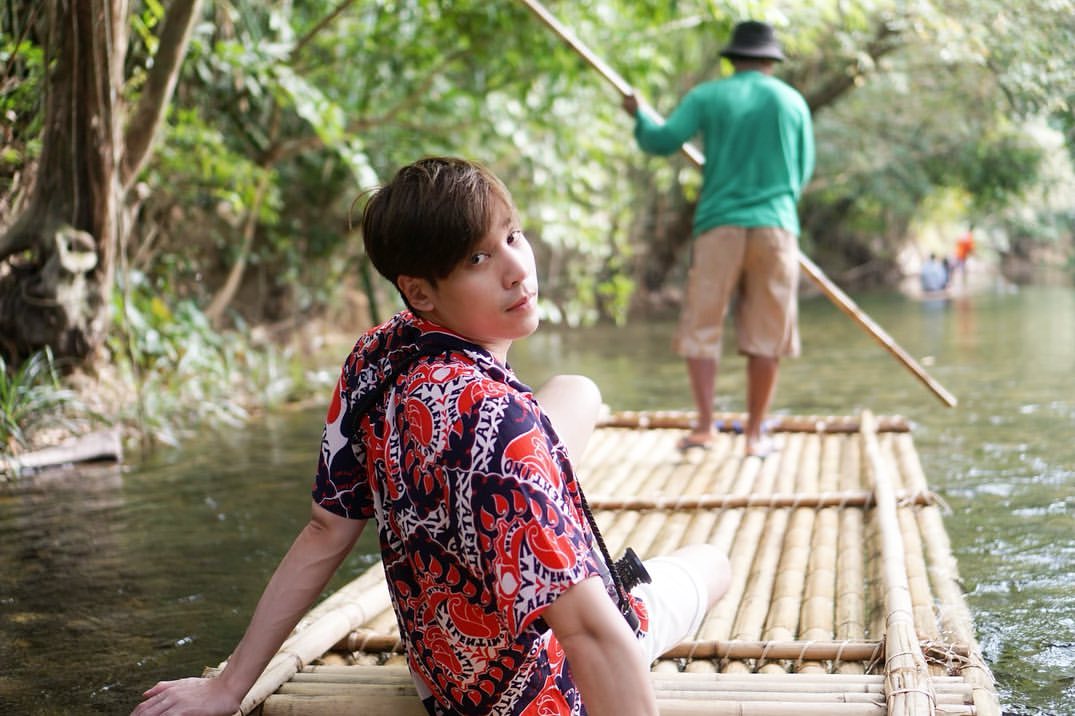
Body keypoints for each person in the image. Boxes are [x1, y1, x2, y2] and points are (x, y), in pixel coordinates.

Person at [131, 157, 730, 716]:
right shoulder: (500, 428)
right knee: (711, 563)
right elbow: (593, 635)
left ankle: (534, 512)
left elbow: (326, 528)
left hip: (438, 670)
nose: (518, 269)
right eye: (477, 260)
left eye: (513, 237)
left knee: (578, 390)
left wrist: (227, 684)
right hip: (527, 691)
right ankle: (552, 521)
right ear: (420, 291)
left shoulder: (374, 356)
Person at [622, 20, 814, 458]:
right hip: (776, 228)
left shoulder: (709, 95)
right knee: (768, 334)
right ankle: (754, 436)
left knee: (702, 325)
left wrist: (639, 115)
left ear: (732, 58)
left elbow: (661, 140)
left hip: (719, 227)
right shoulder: (793, 103)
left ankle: (706, 428)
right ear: (770, 59)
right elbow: (801, 173)